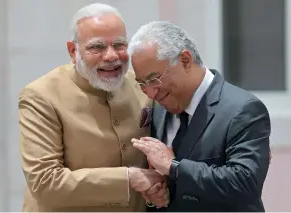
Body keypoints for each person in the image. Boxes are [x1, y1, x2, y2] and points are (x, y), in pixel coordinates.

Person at [18, 4, 167, 212]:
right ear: (73, 50)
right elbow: (45, 182)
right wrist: (128, 178)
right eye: (97, 47)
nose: (111, 56)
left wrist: (158, 190)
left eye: (119, 45)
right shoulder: (41, 96)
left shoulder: (142, 86)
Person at [129, 21, 271, 212]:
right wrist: (155, 191)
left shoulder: (243, 109)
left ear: (185, 60)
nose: (151, 92)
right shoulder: (158, 107)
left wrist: (174, 168)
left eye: (154, 79)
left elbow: (246, 184)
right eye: (142, 83)